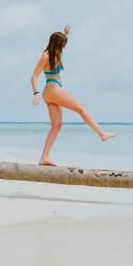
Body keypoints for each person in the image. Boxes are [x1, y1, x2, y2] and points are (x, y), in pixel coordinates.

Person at [30, 24, 117, 166]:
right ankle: (102, 134)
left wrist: (65, 34)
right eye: (63, 43)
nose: (64, 46)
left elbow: (62, 44)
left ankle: (44, 158)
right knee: (81, 108)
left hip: (52, 92)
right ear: (57, 43)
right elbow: (34, 76)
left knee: (56, 126)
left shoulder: (56, 53)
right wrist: (35, 92)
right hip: (52, 90)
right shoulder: (46, 56)